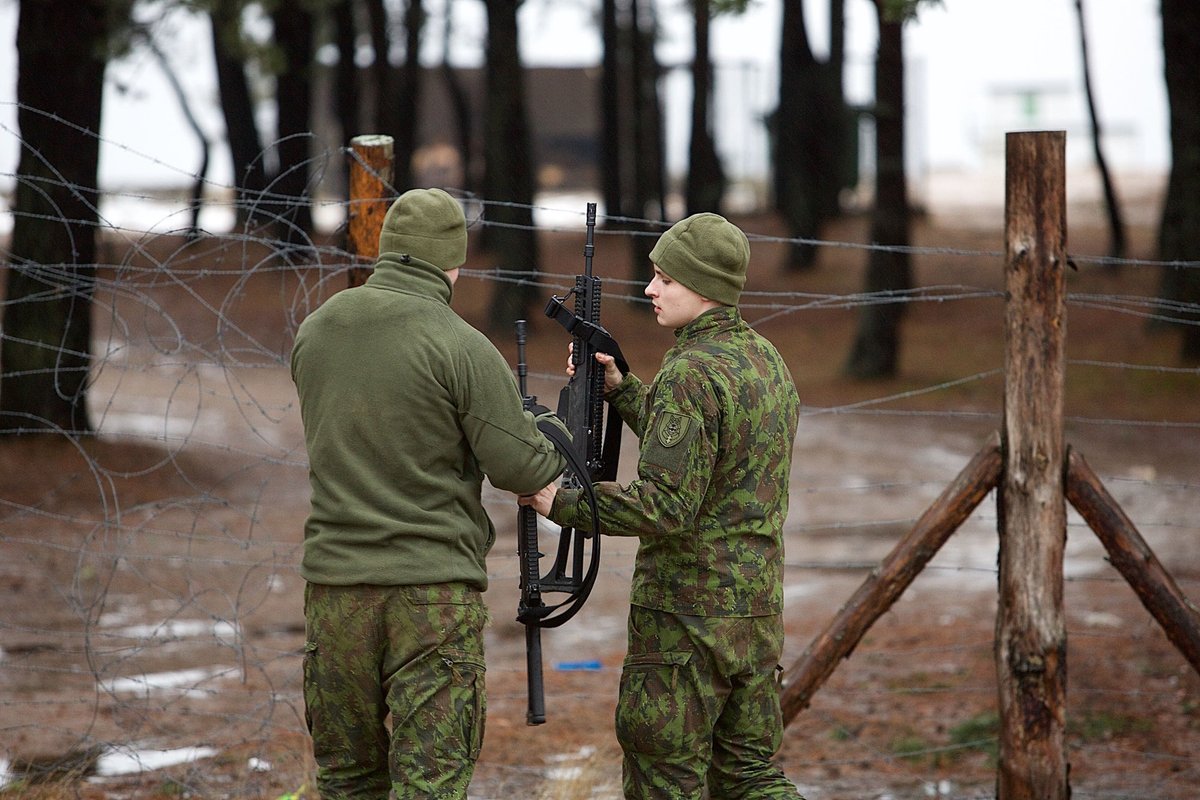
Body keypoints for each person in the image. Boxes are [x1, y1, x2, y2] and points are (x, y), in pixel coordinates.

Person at [291, 188, 567, 799]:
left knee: (346, 781)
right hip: (430, 597)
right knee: (429, 786)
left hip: (335, 591)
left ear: (386, 248)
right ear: (454, 263)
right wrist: (554, 433)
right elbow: (521, 468)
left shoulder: (316, 330)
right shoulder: (460, 345)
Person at [520, 212, 805, 799]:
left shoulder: (690, 373)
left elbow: (665, 506)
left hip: (685, 622)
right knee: (748, 776)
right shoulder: (765, 361)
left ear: (703, 287)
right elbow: (707, 457)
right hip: (754, 616)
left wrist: (562, 503)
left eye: (665, 279)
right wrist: (623, 389)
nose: (650, 289)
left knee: (662, 777)